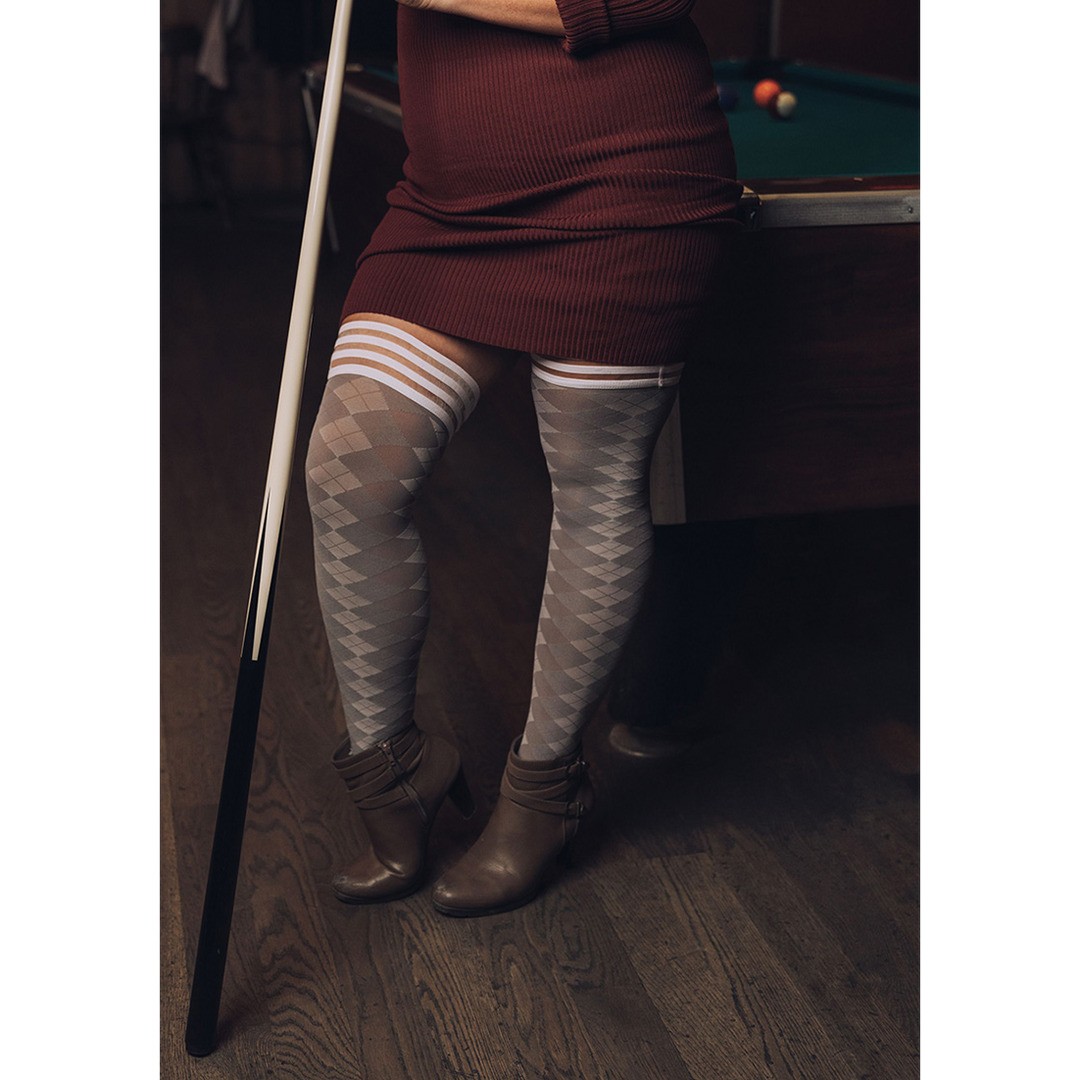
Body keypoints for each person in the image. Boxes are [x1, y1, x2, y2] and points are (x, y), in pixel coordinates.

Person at [304, 0, 741, 917]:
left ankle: (546, 788)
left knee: (594, 489)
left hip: (626, 188)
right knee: (349, 474)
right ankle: (393, 765)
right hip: (444, 207)